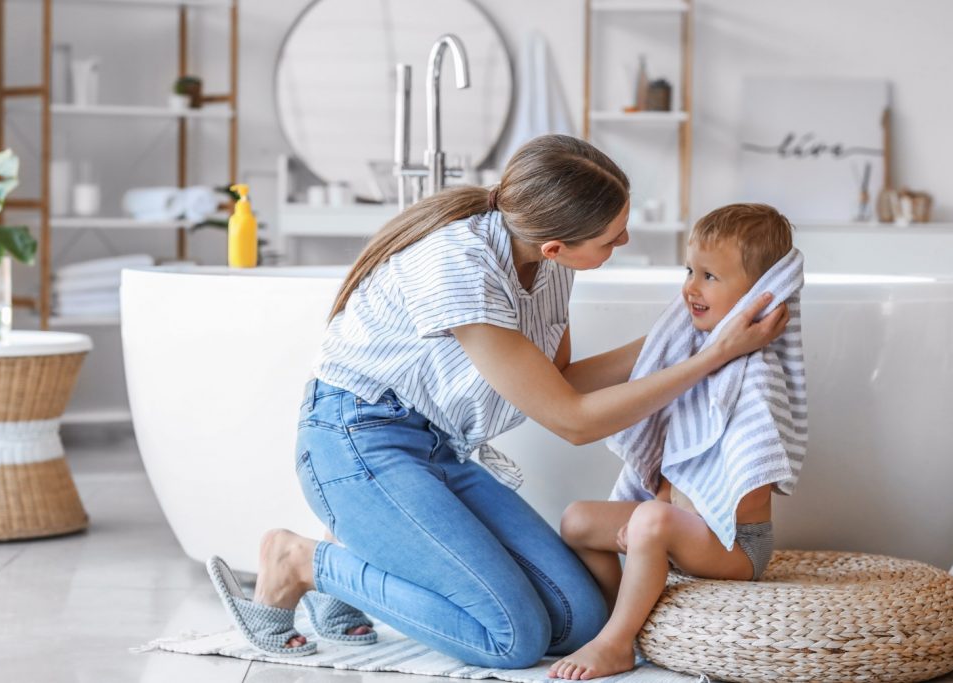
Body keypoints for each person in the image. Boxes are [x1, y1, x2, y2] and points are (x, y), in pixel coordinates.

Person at [207, 136, 789, 667]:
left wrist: (683, 340)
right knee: (510, 639)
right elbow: (572, 421)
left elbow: (557, 378)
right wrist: (709, 358)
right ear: (559, 244)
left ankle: (368, 548)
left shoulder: (548, 262)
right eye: (613, 236)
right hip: (355, 440)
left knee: (578, 620)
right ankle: (302, 562)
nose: (626, 240)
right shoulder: (458, 265)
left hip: (437, 448)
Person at [549, 203, 805, 680]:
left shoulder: (755, 376)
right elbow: (676, 459)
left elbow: (748, 479)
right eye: (691, 270)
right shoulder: (689, 350)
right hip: (682, 521)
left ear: (758, 297)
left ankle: (617, 644)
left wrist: (661, 519)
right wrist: (660, 512)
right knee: (578, 520)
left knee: (650, 520)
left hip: (735, 543)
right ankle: (612, 616)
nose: (691, 286)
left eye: (710, 276)